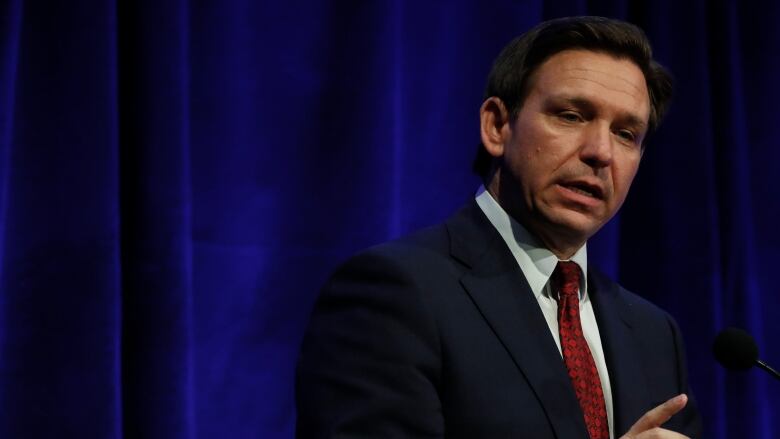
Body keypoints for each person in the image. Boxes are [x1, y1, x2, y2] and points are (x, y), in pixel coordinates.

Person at [296, 16, 703, 439]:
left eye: (625, 133)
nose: (600, 152)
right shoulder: (395, 295)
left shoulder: (655, 336)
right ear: (497, 126)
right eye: (571, 115)